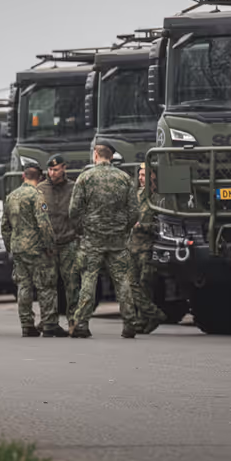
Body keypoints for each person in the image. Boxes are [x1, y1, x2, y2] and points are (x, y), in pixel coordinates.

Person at [69, 143, 162, 338]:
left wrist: (84, 229)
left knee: (89, 280)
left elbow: (74, 211)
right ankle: (130, 324)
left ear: (96, 155)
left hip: (93, 239)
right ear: (111, 156)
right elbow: (134, 211)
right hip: (118, 240)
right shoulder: (124, 178)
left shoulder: (85, 177)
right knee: (124, 281)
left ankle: (81, 324)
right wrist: (123, 228)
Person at [2, 162, 68, 338]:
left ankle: (26, 324)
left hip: (18, 249)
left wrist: (11, 246)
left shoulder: (11, 196)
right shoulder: (38, 196)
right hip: (37, 250)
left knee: (23, 286)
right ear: (39, 178)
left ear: (23, 176)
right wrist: (50, 246)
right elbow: (44, 224)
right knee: (46, 286)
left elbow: (5, 226)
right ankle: (49, 324)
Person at [36, 154, 81, 330]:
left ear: (64, 168)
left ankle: (73, 321)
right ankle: (49, 320)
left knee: (72, 283)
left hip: (68, 241)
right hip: (48, 245)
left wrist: (78, 234)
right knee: (48, 283)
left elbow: (80, 213)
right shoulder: (41, 189)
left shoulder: (73, 188)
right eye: (50, 169)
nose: (52, 173)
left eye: (55, 169)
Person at [128, 163, 163, 333]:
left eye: (145, 175)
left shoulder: (158, 198)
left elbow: (161, 224)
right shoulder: (137, 194)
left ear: (154, 176)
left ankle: (145, 318)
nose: (142, 178)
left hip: (148, 246)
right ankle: (150, 315)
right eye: (140, 175)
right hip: (133, 245)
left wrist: (142, 225)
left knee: (145, 283)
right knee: (132, 284)